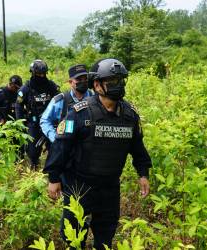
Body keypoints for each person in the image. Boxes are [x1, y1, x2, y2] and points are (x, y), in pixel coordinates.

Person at [43, 58, 152, 250]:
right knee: (74, 236)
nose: (117, 85)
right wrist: (53, 178)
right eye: (111, 81)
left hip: (110, 186)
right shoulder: (79, 113)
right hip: (79, 185)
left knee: (106, 235)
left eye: (120, 80)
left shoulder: (129, 115)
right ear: (97, 85)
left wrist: (143, 173)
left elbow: (137, 146)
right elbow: (61, 146)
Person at [15, 59, 60, 169]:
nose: (41, 76)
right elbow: (18, 106)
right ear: (32, 73)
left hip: (50, 122)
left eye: (43, 74)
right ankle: (34, 166)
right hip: (34, 122)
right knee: (32, 150)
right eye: (38, 74)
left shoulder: (51, 85)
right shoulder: (26, 88)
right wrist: (20, 123)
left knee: (54, 146)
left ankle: (51, 169)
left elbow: (60, 101)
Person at [40, 64, 93, 143]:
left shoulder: (94, 97)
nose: (83, 82)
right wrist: (55, 139)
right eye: (79, 79)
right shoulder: (60, 100)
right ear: (70, 82)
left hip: (88, 145)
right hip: (67, 145)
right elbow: (45, 120)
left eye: (85, 78)